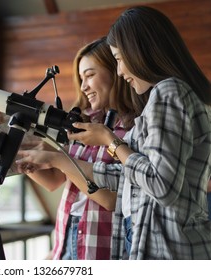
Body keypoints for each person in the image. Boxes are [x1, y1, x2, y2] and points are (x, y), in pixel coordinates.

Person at [62, 6, 211, 259]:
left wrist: (110, 141)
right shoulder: (160, 99)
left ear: (139, 51)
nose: (120, 71)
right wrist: (57, 157)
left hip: (171, 252)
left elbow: (162, 185)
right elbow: (130, 176)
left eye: (119, 59)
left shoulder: (168, 92)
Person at [13, 37, 147, 259]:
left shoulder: (135, 128)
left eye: (90, 75)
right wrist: (16, 151)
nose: (83, 87)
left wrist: (57, 159)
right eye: (81, 78)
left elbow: (112, 199)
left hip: (101, 245)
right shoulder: (84, 121)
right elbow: (55, 180)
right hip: (68, 235)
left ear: (116, 71)